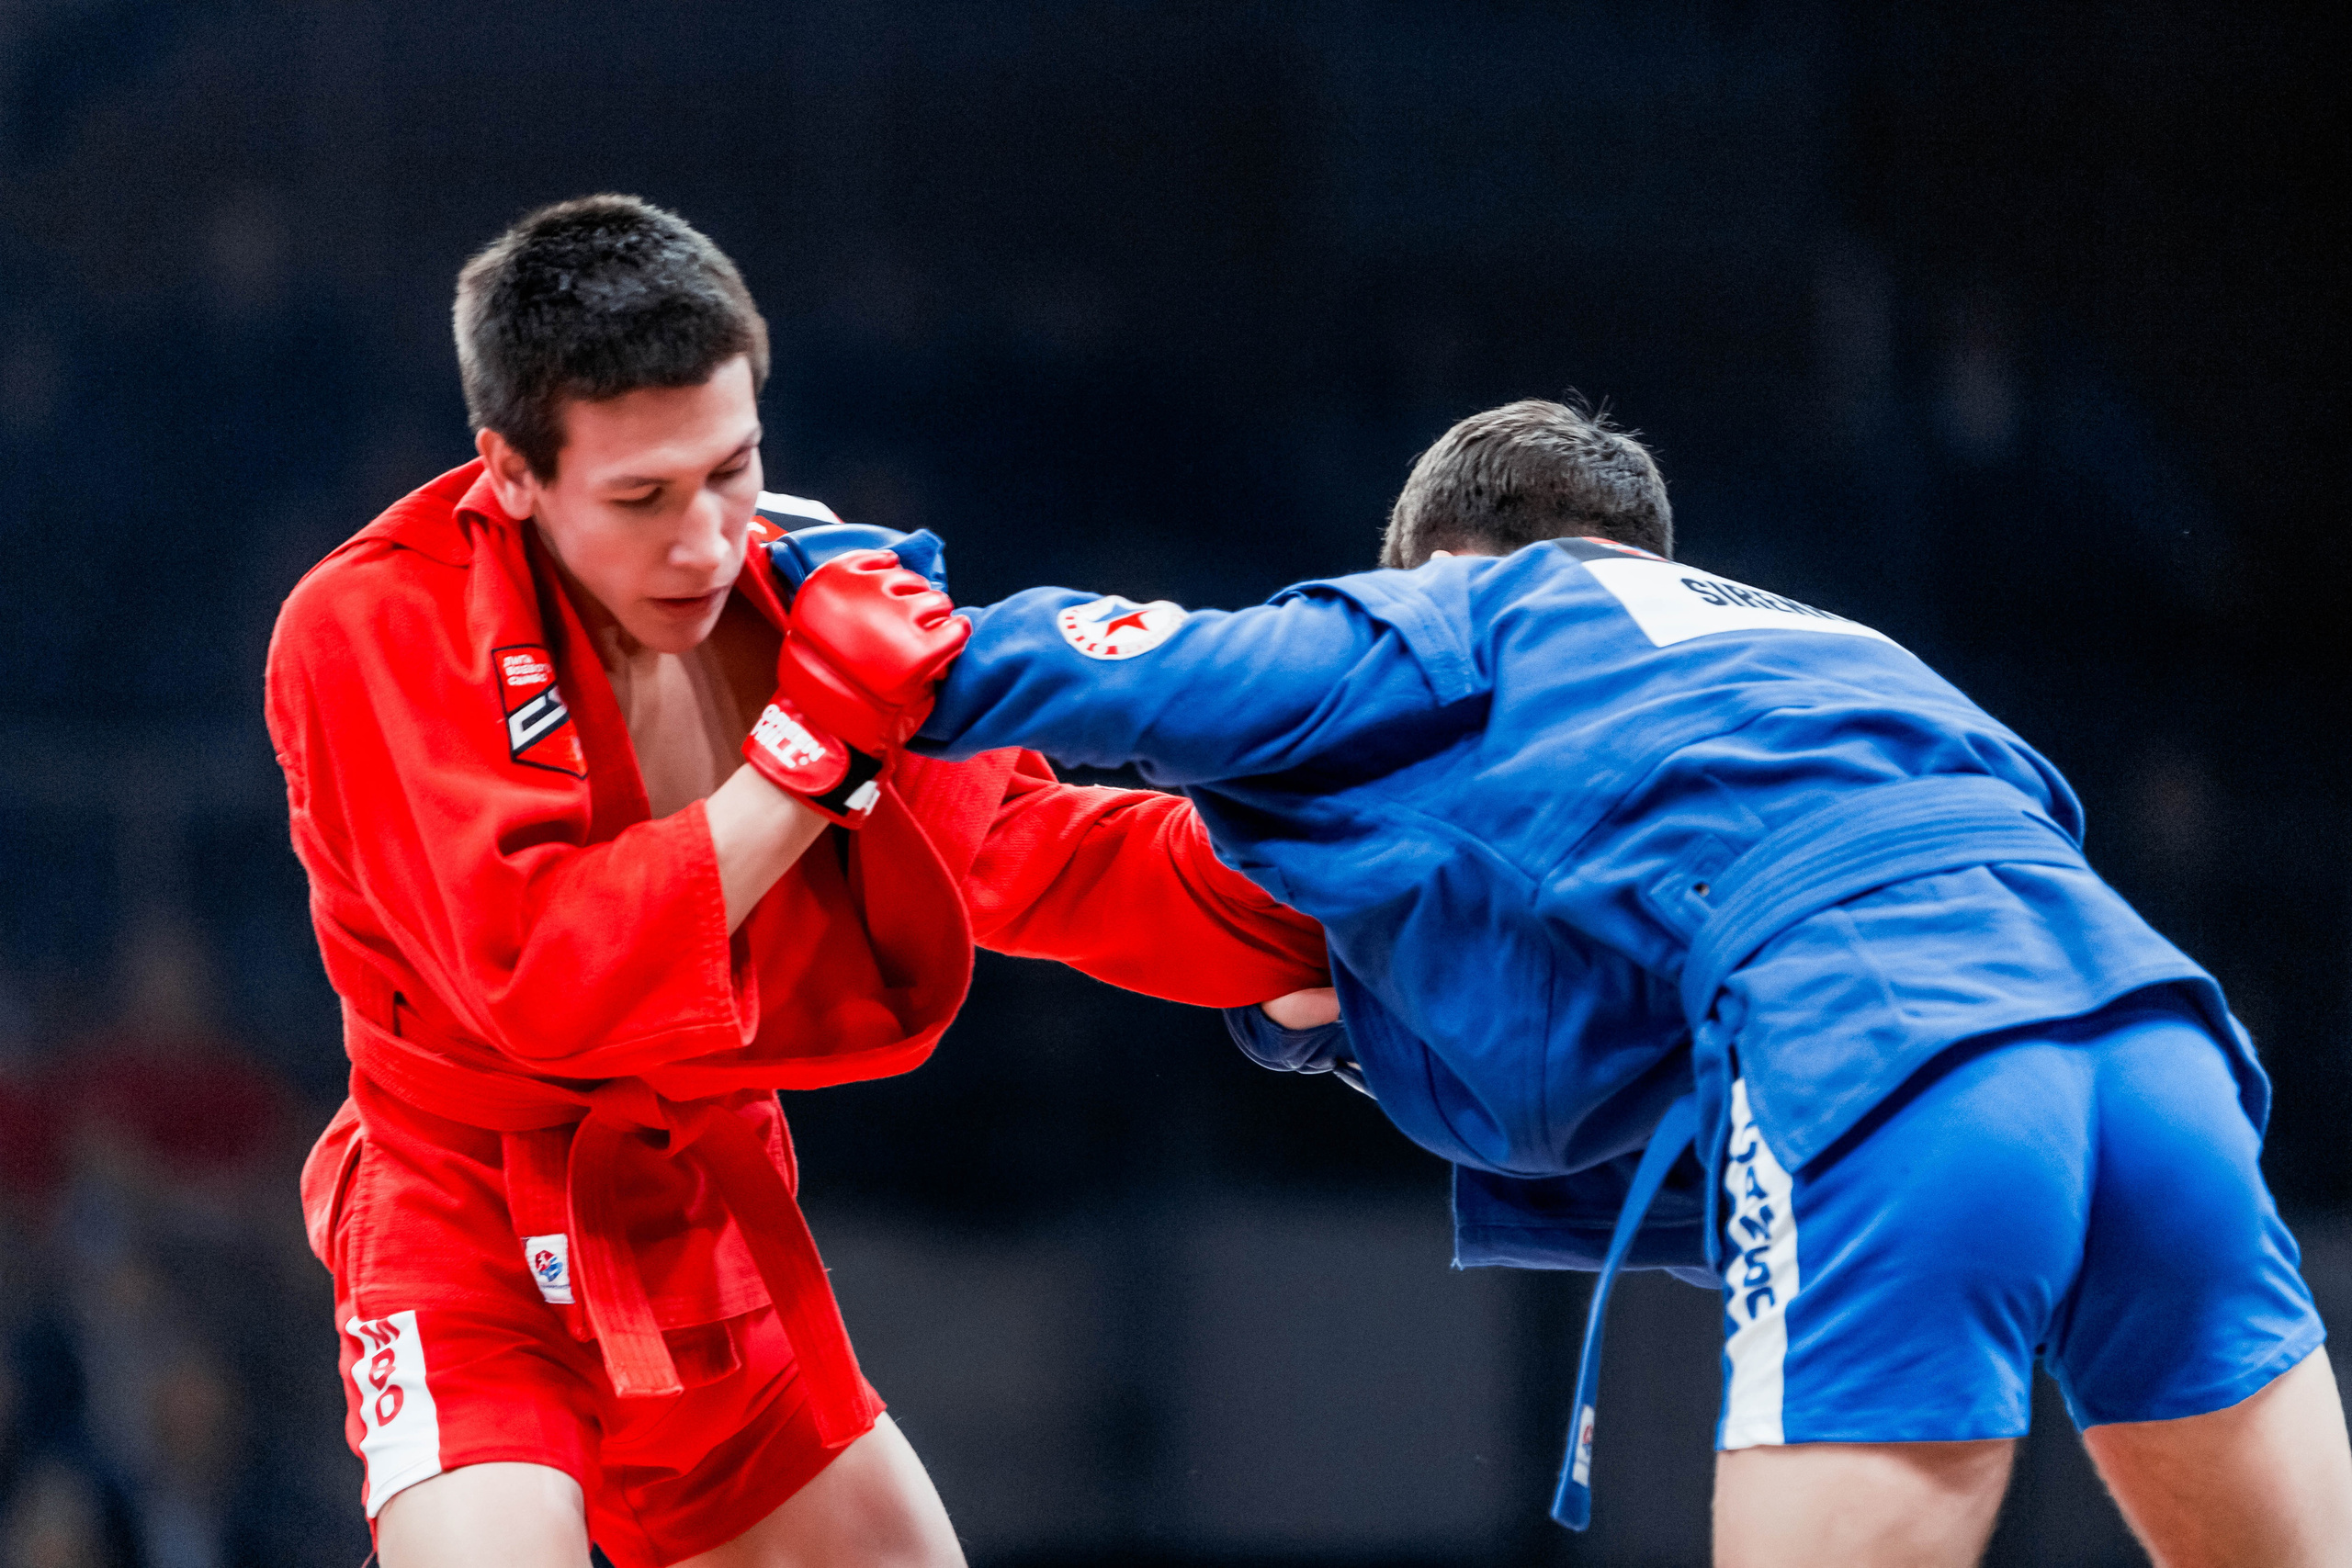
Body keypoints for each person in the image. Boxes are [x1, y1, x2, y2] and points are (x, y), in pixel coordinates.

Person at [786, 399, 2352, 1566]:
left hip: (1890, 1064)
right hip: (2161, 1051)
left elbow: (1110, 689)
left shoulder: (1461, 617)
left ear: (1429, 567)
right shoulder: (1842, 654)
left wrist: (836, 591)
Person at [262, 194, 1329, 1568]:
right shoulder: (369, 625)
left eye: (732, 468)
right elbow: (543, 981)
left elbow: (1025, 852)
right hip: (458, 1219)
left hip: (696, 1203)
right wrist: (804, 761)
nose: (703, 539)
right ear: (512, 474)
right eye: (641, 498)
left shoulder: (813, 583)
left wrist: (1321, 920)